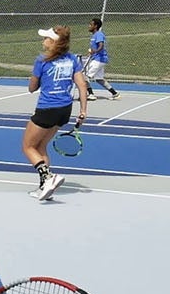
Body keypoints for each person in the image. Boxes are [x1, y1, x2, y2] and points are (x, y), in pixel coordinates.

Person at [25, 26, 88, 201]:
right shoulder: (73, 59)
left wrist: (35, 80)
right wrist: (83, 111)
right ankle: (45, 187)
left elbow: (31, 88)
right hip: (65, 110)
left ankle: (48, 177)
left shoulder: (42, 60)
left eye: (46, 38)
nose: (42, 40)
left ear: (53, 42)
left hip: (47, 109)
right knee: (41, 146)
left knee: (28, 147)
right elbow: (82, 86)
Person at [85, 17, 119, 99]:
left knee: (84, 77)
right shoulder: (94, 35)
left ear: (95, 26)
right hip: (97, 59)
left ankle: (91, 94)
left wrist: (95, 51)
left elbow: (101, 45)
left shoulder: (99, 34)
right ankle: (114, 93)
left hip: (99, 59)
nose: (89, 26)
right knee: (99, 79)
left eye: (91, 24)